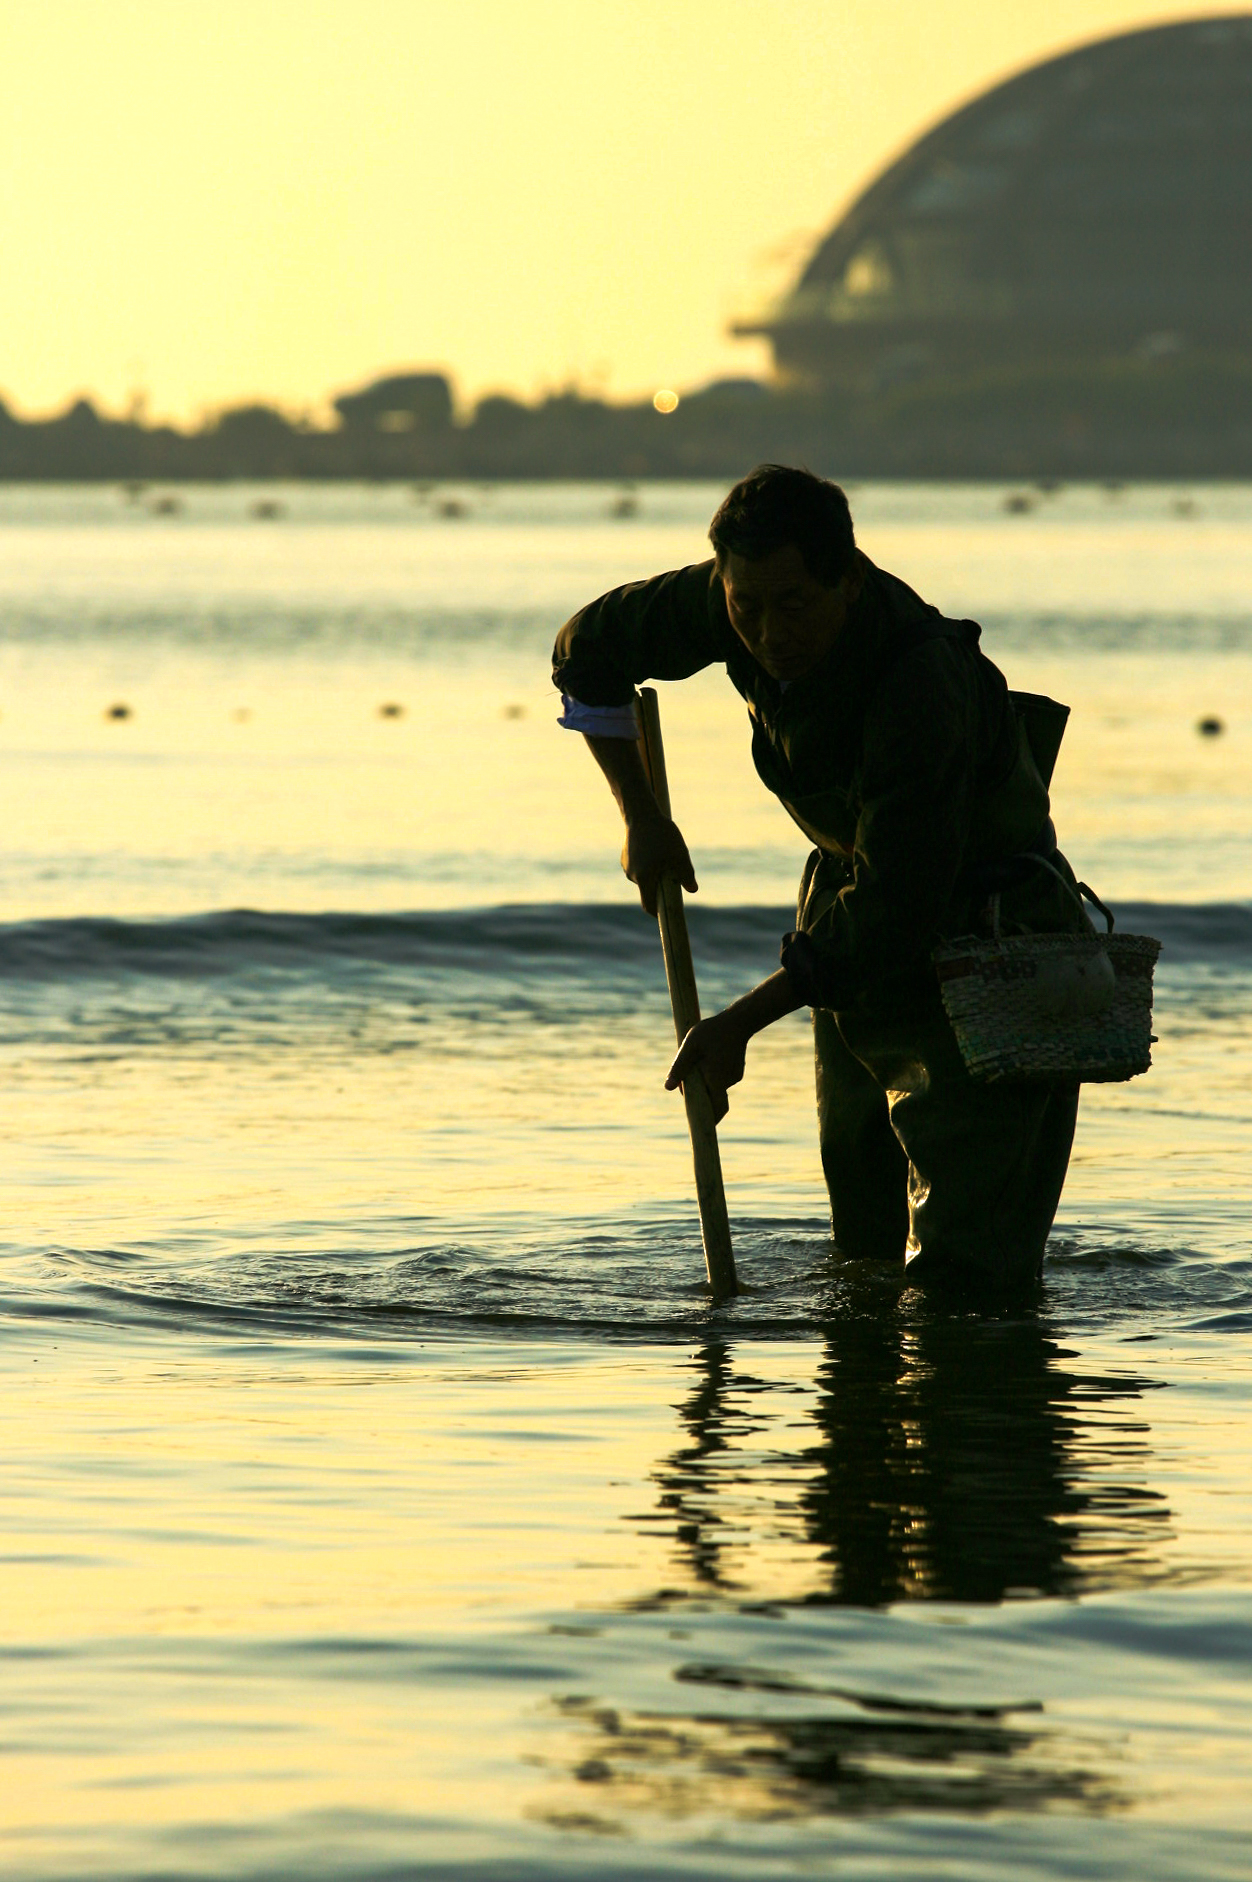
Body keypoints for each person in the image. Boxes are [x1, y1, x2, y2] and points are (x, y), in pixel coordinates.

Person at [552, 465, 1085, 1292]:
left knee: (967, 1273)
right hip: (848, 911)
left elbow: (896, 906)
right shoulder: (739, 596)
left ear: (848, 578)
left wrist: (738, 1024)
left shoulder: (919, 679)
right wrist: (640, 814)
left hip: (991, 936)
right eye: (746, 607)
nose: (768, 632)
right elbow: (586, 652)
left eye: (793, 605)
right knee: (865, 1247)